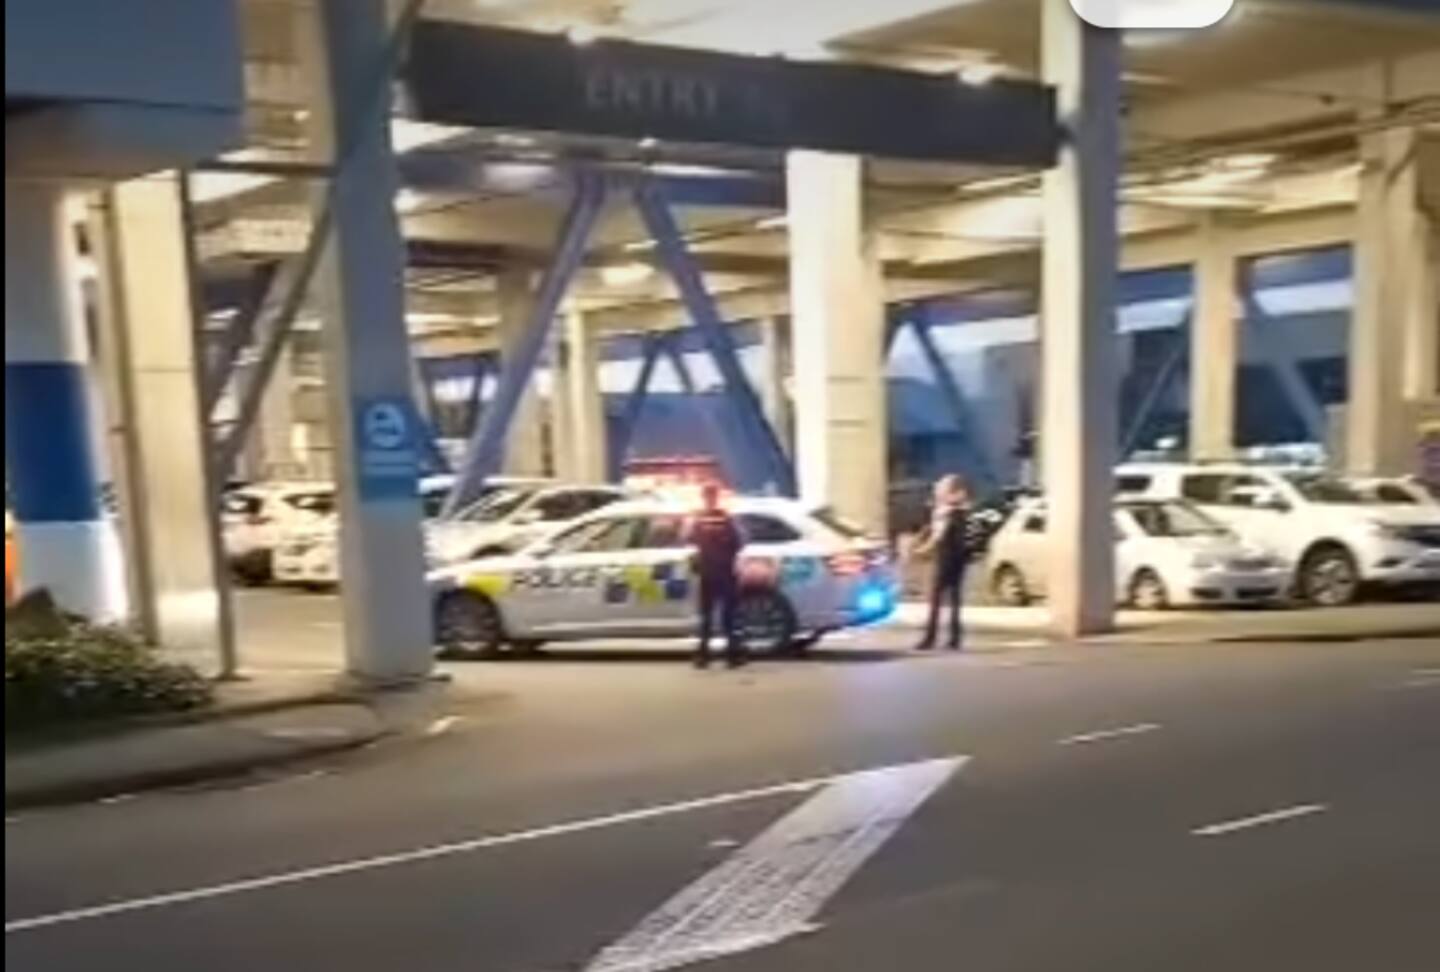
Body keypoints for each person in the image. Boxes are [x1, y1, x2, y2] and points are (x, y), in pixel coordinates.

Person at [689, 483, 746, 669]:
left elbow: (690, 539)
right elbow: (739, 542)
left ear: (704, 497)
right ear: (716, 496)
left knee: (706, 616)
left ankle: (703, 657)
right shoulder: (725, 518)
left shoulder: (698, 519)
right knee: (728, 616)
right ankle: (732, 657)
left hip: (707, 572)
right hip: (725, 572)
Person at [914, 475, 971, 652]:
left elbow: (939, 536)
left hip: (947, 557)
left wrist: (923, 549)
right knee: (954, 599)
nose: (937, 492)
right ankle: (955, 638)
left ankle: (930, 639)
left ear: (951, 492)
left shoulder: (948, 512)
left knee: (937, 599)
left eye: (941, 489)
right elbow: (935, 532)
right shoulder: (959, 511)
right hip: (959, 558)